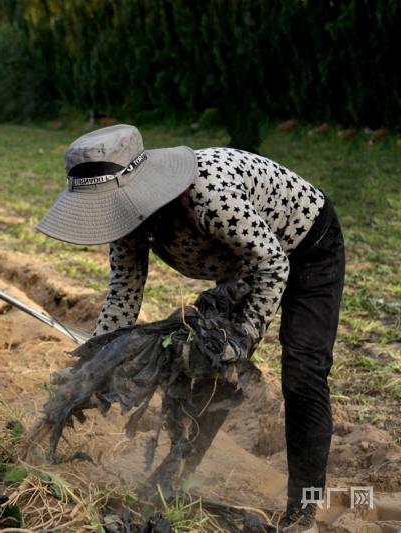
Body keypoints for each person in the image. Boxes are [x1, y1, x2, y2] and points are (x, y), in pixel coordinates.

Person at [37, 124, 344, 533]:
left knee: (303, 373)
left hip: (306, 248)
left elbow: (272, 263)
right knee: (205, 365)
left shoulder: (208, 195)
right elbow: (124, 295)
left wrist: (244, 337)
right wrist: (91, 367)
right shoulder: (127, 221)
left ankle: (305, 509)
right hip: (242, 265)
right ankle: (178, 480)